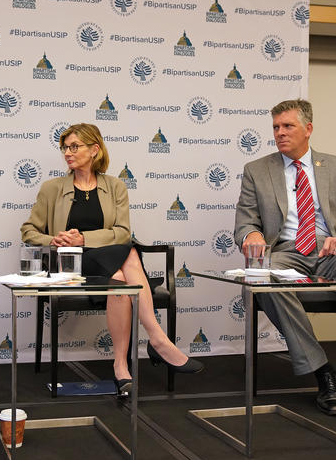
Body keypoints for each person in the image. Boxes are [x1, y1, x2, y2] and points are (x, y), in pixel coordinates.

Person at [21, 123, 203, 395]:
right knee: (128, 252)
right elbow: (28, 231)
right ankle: (158, 340)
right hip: (72, 267)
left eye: (74, 146)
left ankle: (120, 365)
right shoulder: (52, 188)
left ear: (94, 149)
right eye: (65, 148)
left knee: (119, 276)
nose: (68, 153)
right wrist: (54, 240)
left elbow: (121, 232)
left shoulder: (115, 186)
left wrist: (84, 238)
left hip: (107, 259)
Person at [234, 99, 336, 420]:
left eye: (288, 126)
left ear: (308, 129)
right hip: (286, 250)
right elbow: (245, 221)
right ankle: (323, 372)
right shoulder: (257, 171)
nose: (280, 133)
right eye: (276, 127)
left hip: (330, 249)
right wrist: (253, 236)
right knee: (262, 276)